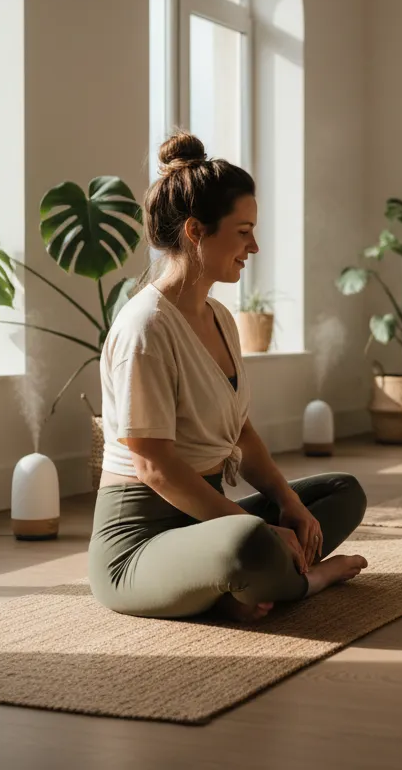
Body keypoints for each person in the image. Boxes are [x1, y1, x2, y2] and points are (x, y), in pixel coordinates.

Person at [89, 132, 368, 622]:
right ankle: (307, 579)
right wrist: (255, 528)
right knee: (250, 543)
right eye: (243, 232)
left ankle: (241, 586)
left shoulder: (220, 317)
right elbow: (154, 468)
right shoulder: (145, 328)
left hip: (207, 520)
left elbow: (241, 433)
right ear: (196, 231)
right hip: (138, 545)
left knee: (340, 493)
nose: (254, 246)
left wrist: (289, 505)